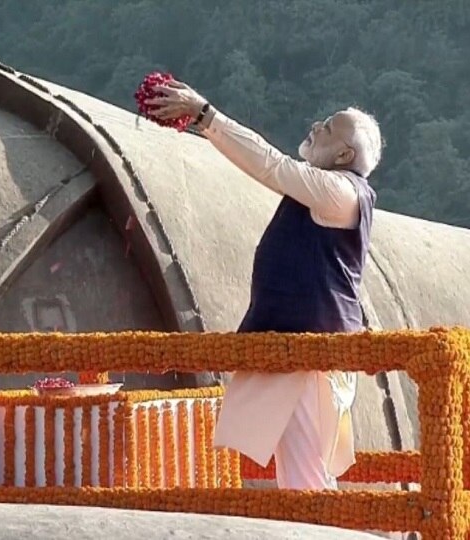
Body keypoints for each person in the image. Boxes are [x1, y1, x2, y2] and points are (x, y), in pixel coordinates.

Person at [145, 81, 383, 490]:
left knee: (305, 478)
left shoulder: (339, 190)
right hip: (296, 350)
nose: (315, 126)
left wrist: (205, 115)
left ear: (345, 155)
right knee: (299, 473)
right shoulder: (326, 192)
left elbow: (271, 165)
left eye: (327, 128)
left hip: (310, 356)